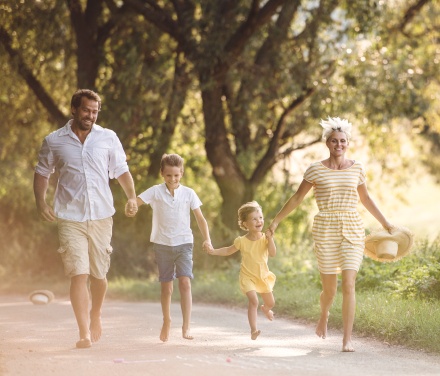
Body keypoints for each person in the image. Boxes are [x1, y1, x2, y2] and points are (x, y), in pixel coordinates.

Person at [266, 117, 394, 352]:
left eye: (343, 141)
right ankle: (324, 313)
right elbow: (296, 198)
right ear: (327, 143)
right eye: (334, 141)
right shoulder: (315, 170)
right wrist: (275, 221)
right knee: (330, 290)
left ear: (348, 143)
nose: (339, 144)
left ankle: (347, 339)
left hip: (352, 228)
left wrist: (386, 223)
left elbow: (365, 199)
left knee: (348, 283)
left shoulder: (357, 168)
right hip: (325, 229)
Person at [34, 89, 138, 349]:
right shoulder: (54, 141)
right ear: (74, 109)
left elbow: (121, 171)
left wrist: (132, 197)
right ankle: (83, 333)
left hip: (102, 215)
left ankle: (96, 313)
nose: (90, 115)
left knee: (99, 276)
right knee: (78, 274)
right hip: (70, 217)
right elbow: (42, 172)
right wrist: (40, 202)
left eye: (95, 111)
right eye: (86, 110)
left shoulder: (108, 138)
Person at [135, 154, 213, 342]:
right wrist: (131, 206)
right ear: (162, 173)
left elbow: (200, 219)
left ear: (182, 174)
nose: (172, 179)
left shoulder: (189, 193)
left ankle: (186, 327)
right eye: (169, 175)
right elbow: (136, 201)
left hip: (184, 243)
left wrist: (207, 239)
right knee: (166, 289)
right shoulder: (155, 191)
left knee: (185, 282)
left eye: (176, 175)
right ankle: (167, 320)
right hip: (162, 245)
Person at [209, 201, 276, 340]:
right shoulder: (241, 241)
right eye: (254, 219)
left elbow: (273, 253)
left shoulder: (265, 238)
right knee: (253, 301)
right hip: (247, 277)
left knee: (270, 303)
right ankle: (253, 330)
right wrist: (214, 251)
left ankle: (266, 309)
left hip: (262, 276)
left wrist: (271, 240)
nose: (259, 221)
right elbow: (228, 250)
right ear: (245, 224)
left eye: (261, 218)